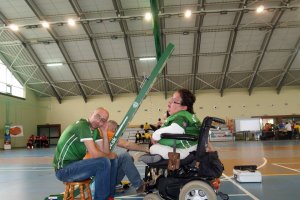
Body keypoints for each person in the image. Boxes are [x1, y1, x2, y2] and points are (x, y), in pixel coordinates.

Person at [53, 107, 117, 200]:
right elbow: (95, 154)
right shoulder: (83, 126)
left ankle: (109, 197)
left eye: (103, 120)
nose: (99, 121)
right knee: (103, 162)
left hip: (75, 166)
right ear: (91, 114)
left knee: (112, 160)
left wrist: (104, 131)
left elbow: (106, 152)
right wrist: (109, 155)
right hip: (63, 170)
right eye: (97, 116)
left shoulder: (95, 131)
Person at [139, 88, 208, 163]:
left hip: (183, 151)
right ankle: (158, 156)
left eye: (174, 101)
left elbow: (176, 129)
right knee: (156, 147)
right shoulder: (189, 116)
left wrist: (155, 135)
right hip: (192, 148)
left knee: (153, 148)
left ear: (183, 107)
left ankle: (158, 156)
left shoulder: (182, 116)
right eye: (171, 100)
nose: (169, 103)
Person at [86, 120, 149, 195]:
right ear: (113, 129)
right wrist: (145, 149)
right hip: (98, 179)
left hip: (95, 176)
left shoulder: (99, 134)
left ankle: (114, 186)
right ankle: (139, 185)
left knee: (128, 158)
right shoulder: (107, 133)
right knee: (125, 157)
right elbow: (127, 144)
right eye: (116, 130)